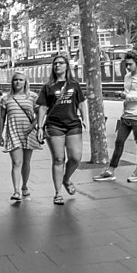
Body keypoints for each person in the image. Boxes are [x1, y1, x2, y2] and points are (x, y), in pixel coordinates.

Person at [34, 53, 86, 205]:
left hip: (73, 124)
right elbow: (43, 107)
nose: (58, 66)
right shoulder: (48, 87)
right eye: (55, 63)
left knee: (76, 157)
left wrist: (85, 121)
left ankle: (66, 178)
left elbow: (82, 104)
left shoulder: (74, 85)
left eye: (61, 63)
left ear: (67, 66)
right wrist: (40, 127)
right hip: (54, 125)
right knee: (58, 159)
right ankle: (57, 193)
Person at [97, 49, 137, 183]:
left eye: (130, 64)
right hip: (126, 115)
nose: (128, 67)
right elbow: (129, 92)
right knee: (119, 142)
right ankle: (111, 169)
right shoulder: (127, 76)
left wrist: (128, 97)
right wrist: (122, 94)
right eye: (126, 64)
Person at [0, 70, 39, 202]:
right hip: (13, 132)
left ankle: (25, 186)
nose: (18, 82)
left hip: (28, 133)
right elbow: (2, 118)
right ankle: (16, 191)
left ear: (26, 82)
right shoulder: (6, 99)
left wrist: (33, 126)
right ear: (12, 82)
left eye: (21, 80)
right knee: (16, 162)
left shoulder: (32, 96)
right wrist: (0, 134)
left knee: (26, 162)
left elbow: (41, 114)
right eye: (15, 80)